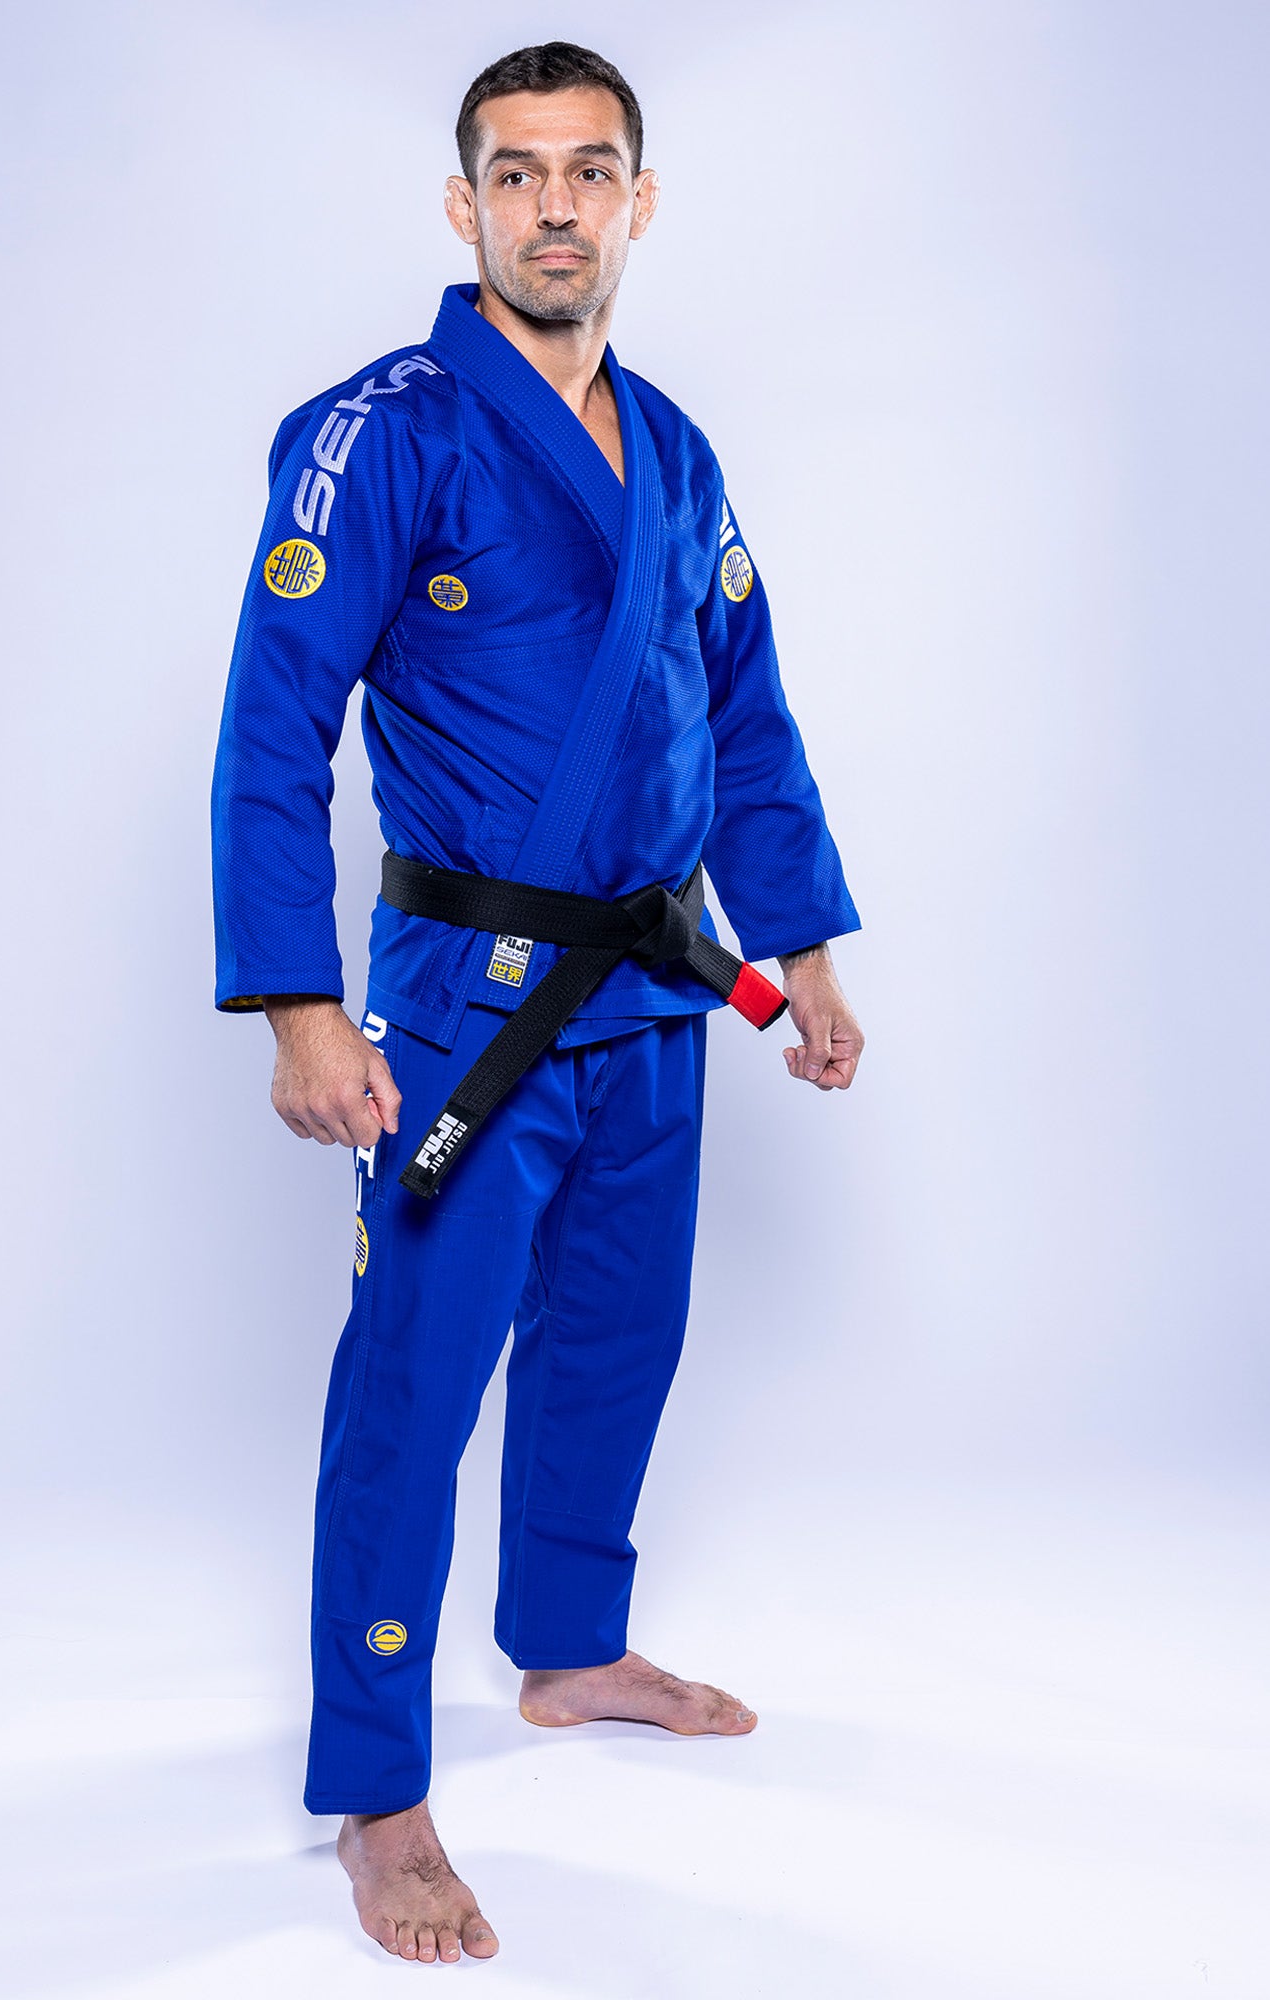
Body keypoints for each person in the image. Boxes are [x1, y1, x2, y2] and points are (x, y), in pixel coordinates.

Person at [210, 40, 864, 1965]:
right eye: (519, 172)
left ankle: (570, 1651)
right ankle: (379, 1792)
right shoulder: (380, 427)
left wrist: (801, 946)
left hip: (663, 989)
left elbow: (743, 707)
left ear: (638, 204)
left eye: (592, 171)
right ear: (464, 204)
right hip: (465, 1004)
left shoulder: (672, 447)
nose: (556, 203)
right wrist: (296, 1007)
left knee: (617, 1339)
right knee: (413, 1386)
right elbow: (274, 724)